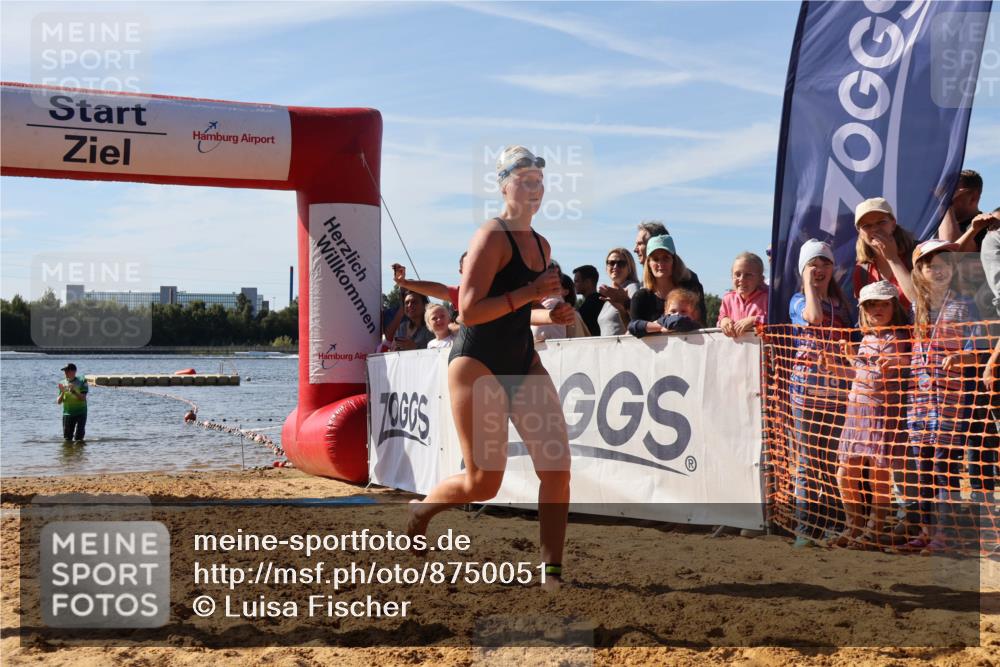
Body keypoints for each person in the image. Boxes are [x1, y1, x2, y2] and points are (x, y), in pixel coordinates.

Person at [407, 145, 570, 589]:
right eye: (525, 180)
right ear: (504, 186)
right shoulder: (490, 236)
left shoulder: (541, 244)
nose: (534, 188)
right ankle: (421, 510)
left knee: (556, 467)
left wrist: (547, 312)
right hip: (476, 361)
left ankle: (551, 573)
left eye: (539, 181)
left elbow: (517, 310)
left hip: (521, 358)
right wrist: (532, 291)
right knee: (484, 484)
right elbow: (470, 309)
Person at [905, 239, 986, 552]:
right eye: (929, 265)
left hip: (950, 399)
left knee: (944, 465)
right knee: (923, 466)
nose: (936, 271)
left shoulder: (965, 305)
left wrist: (961, 358)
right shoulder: (915, 308)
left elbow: (977, 347)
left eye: (942, 265)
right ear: (920, 271)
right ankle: (927, 530)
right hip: (917, 400)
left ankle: (946, 533)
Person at [819, 281, 910, 549]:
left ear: (894, 306)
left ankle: (875, 527)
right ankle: (853, 524)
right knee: (845, 471)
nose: (877, 309)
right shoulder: (866, 339)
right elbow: (856, 376)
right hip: (856, 410)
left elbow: (911, 362)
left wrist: (896, 362)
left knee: (878, 472)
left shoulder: (899, 336)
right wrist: (835, 367)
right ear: (863, 310)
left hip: (881, 411)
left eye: (883, 303)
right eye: (871, 304)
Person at [787, 239, 852, 548]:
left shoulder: (843, 307)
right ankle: (805, 527)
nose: (820, 268)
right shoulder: (798, 300)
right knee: (808, 462)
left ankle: (830, 524)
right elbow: (813, 318)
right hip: (806, 392)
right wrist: (809, 286)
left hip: (837, 390)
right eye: (813, 263)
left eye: (825, 263)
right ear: (803, 270)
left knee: (829, 462)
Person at [628, 234, 707, 330]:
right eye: (655, 259)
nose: (661, 264)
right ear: (648, 263)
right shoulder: (641, 297)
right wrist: (661, 327)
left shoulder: (691, 289)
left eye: (666, 258)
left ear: (674, 261)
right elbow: (633, 326)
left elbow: (701, 323)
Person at [853, 197, 917, 309]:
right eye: (866, 226)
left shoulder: (917, 254)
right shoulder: (862, 270)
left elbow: (917, 300)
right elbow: (865, 315)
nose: (875, 229)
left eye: (881, 222)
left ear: (893, 224)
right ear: (860, 232)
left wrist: (892, 258)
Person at [718, 251, 768, 338]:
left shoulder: (768, 298)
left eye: (748, 275)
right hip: (737, 350)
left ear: (761, 279)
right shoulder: (728, 299)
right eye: (737, 274)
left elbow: (776, 321)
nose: (741, 279)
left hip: (762, 350)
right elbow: (721, 317)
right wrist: (723, 321)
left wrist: (754, 320)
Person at [938, 169, 988, 252]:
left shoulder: (985, 226)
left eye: (951, 192)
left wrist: (946, 203)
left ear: (973, 197)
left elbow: (949, 251)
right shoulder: (941, 225)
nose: (943, 197)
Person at [597, 248, 639, 336]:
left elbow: (639, 319)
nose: (615, 267)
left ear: (629, 268)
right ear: (606, 268)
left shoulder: (632, 287)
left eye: (621, 263)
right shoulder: (610, 293)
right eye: (611, 263)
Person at [627, 288, 702, 338]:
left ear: (693, 314)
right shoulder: (663, 321)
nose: (677, 315)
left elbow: (678, 321)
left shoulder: (695, 326)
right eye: (673, 311)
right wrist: (659, 328)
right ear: (666, 311)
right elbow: (632, 326)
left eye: (683, 311)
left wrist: (666, 325)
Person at [57, 363, 88, 441]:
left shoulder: (82, 381)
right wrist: (63, 392)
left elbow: (83, 398)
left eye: (67, 370)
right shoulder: (62, 383)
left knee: (79, 438)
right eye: (65, 371)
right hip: (67, 413)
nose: (65, 373)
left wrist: (74, 391)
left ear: (74, 371)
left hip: (81, 412)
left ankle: (79, 452)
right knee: (67, 439)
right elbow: (58, 402)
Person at [572, 265, 601, 336]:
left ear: (588, 282)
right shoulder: (604, 300)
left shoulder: (587, 308)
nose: (574, 285)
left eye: (576, 281)